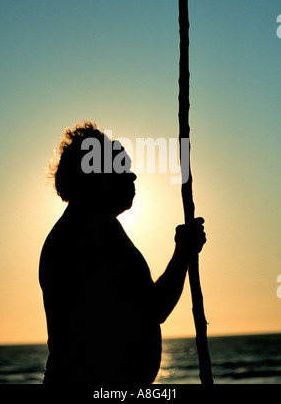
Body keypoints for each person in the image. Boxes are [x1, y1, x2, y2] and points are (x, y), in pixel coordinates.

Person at [39, 121, 206, 385]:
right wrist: (183, 253)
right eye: (122, 168)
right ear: (96, 176)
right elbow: (153, 308)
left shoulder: (86, 227)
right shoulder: (90, 231)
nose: (132, 176)